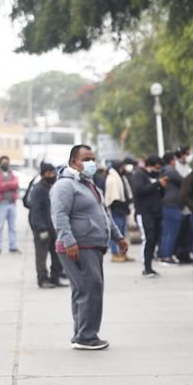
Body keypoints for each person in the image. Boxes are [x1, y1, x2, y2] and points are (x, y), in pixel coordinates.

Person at [51, 145, 128, 349]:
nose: (91, 163)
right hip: (77, 246)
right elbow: (59, 216)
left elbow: (104, 215)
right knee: (91, 288)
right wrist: (69, 241)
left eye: (93, 158)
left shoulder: (89, 185)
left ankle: (81, 333)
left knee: (83, 289)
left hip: (92, 245)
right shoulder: (65, 186)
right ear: (73, 161)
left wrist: (118, 237)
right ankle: (87, 336)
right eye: (86, 158)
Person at [27, 163, 65, 288]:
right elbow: (35, 210)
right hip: (42, 228)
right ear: (43, 175)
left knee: (57, 254)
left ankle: (55, 277)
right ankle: (42, 279)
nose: (51, 175)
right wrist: (41, 228)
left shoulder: (54, 187)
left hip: (54, 227)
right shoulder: (38, 189)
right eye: (48, 173)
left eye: (53, 173)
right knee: (41, 255)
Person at [131, 156, 167, 277]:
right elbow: (139, 190)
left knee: (154, 239)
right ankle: (146, 267)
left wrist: (161, 186)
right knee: (148, 239)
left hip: (156, 212)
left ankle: (150, 266)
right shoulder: (139, 174)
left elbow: (160, 193)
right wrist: (157, 183)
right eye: (158, 166)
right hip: (144, 212)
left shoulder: (155, 176)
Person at [104, 158, 135, 263]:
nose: (123, 168)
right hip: (116, 209)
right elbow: (112, 197)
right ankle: (115, 253)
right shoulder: (112, 178)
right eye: (122, 166)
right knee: (115, 233)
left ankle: (123, 253)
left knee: (123, 233)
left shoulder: (122, 177)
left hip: (123, 208)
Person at [157, 151, 184, 263]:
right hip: (173, 205)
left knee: (167, 231)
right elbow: (183, 181)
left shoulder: (163, 171)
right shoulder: (171, 171)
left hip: (167, 204)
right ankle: (167, 256)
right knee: (172, 231)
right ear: (171, 161)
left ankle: (164, 254)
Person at [0, 155, 21, 255]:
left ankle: (13, 247)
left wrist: (6, 184)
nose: (5, 164)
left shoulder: (11, 173)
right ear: (0, 163)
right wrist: (9, 184)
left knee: (13, 227)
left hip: (11, 203)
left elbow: (16, 185)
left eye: (7, 162)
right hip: (1, 204)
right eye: (3, 162)